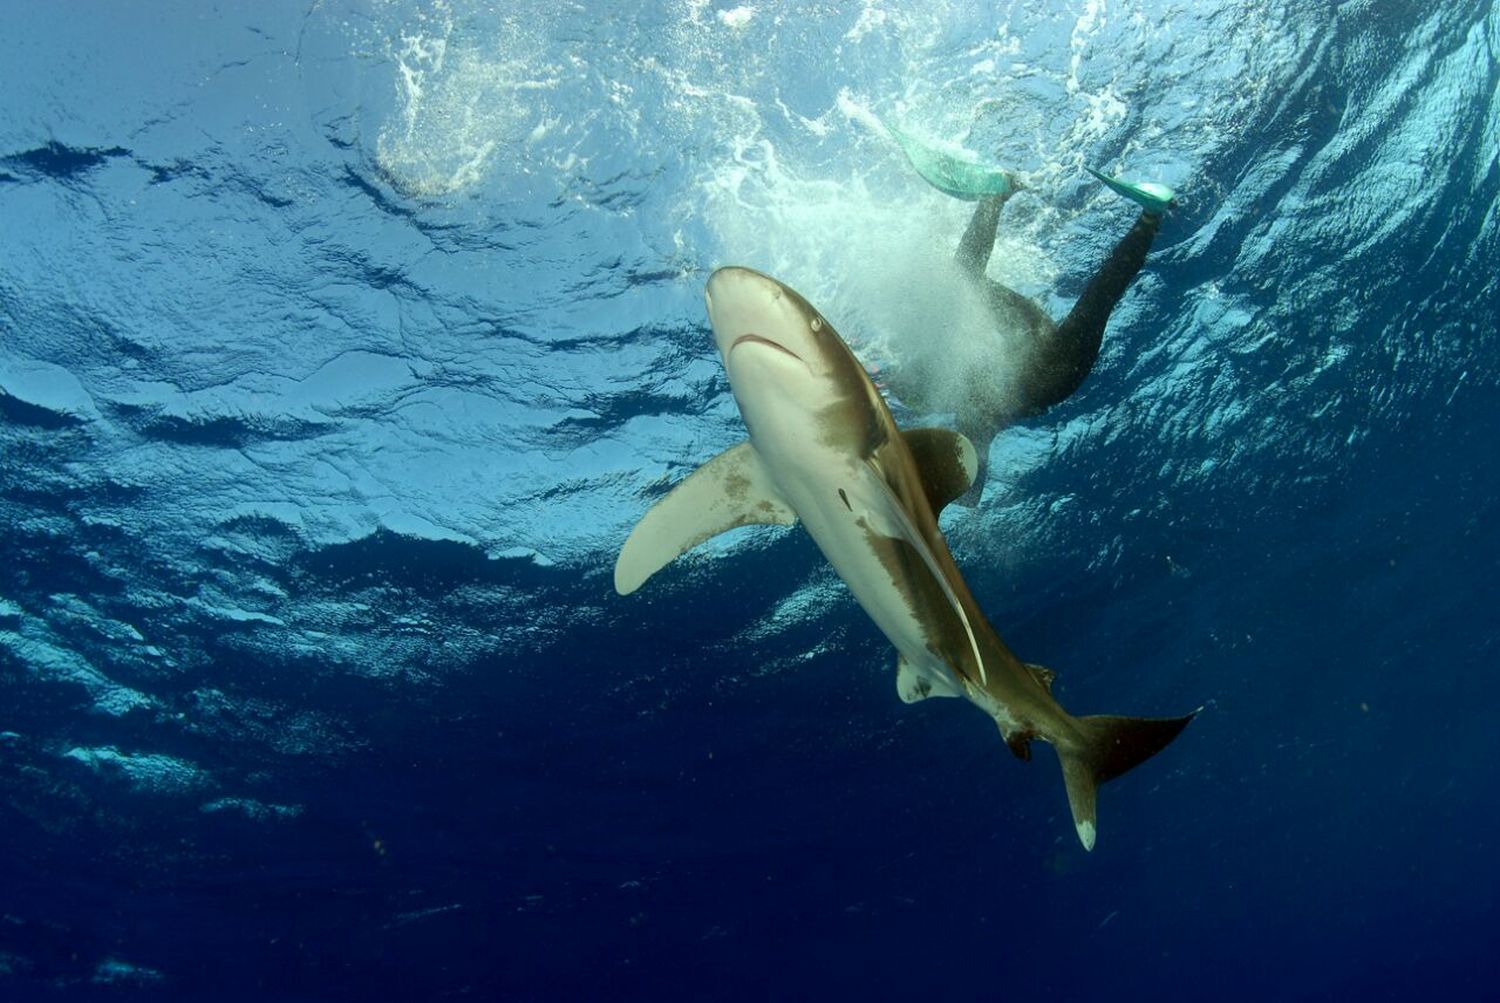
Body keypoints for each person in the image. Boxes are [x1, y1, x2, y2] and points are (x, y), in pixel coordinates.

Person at [882, 124, 1176, 504]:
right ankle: (1000, 195)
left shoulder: (970, 416)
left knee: (971, 282)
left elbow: (971, 486)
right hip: (1051, 368)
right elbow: (971, 485)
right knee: (1094, 297)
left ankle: (1147, 219)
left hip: (1050, 364)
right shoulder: (971, 417)